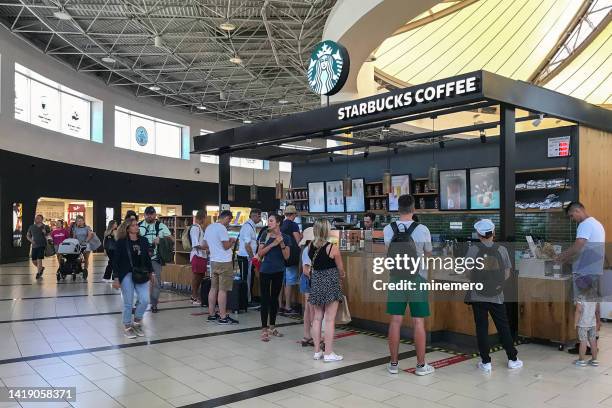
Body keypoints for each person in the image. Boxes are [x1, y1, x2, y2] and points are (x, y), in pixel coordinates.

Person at [384, 194, 434, 376]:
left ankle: (393, 364)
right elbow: (428, 256)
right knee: (418, 321)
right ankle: (421, 366)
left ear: (398, 209)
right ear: (414, 209)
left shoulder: (388, 229)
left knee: (395, 320)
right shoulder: (422, 229)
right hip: (417, 279)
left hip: (396, 278)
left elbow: (387, 254)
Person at [465, 219, 523, 373]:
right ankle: (512, 359)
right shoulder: (502, 249)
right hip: (497, 295)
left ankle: (486, 362)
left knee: (482, 328)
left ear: (478, 234)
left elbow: (467, 272)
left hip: (478, 295)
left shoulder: (473, 250)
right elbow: (507, 273)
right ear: (493, 233)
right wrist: (496, 285)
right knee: (503, 327)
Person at [556, 202, 605, 355]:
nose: (572, 219)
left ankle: (585, 346)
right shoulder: (597, 224)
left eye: (572, 215)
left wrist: (562, 257)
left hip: (585, 273)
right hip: (594, 270)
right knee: (592, 308)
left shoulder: (584, 225)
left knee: (583, 308)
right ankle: (593, 342)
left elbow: (579, 245)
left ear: (578, 210)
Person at [305, 219, 345, 362]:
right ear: (326, 231)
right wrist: (343, 277)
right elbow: (340, 269)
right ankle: (328, 353)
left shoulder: (310, 246)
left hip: (316, 282)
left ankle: (317, 351)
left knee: (317, 318)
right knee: (329, 320)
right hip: (330, 283)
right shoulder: (332, 248)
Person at [112, 219, 153, 339]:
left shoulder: (144, 241)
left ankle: (137, 321)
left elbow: (147, 259)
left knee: (145, 299)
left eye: (137, 225)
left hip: (141, 273)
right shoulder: (121, 242)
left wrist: (152, 273)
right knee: (128, 302)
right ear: (127, 228)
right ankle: (127, 326)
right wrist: (116, 278)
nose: (136, 227)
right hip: (127, 274)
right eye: (133, 225)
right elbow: (116, 261)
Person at [256, 214, 291, 341]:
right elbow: (260, 253)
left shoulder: (286, 237)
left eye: (271, 221)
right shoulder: (265, 234)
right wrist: (272, 244)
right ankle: (264, 329)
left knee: (274, 299)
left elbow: (287, 256)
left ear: (278, 223)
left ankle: (272, 327)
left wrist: (280, 242)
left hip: (279, 271)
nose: (269, 223)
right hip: (265, 271)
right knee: (265, 299)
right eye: (268, 220)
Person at [204, 210, 238, 325]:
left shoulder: (209, 227)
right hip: (224, 262)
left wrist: (214, 248)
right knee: (223, 290)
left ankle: (211, 314)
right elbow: (225, 246)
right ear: (226, 217)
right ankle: (223, 317)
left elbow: (204, 244)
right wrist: (232, 241)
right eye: (229, 220)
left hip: (213, 261)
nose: (229, 222)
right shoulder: (222, 228)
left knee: (213, 288)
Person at [139, 206, 172, 313]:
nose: (149, 216)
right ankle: (139, 303)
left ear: (155, 215)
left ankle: (154, 304)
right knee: (139, 281)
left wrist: (161, 239)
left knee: (156, 283)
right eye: (147, 214)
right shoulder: (139, 226)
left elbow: (171, 240)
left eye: (151, 214)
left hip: (155, 259)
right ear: (144, 215)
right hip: (141, 259)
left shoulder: (160, 226)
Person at [573, 275, 600, 366]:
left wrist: (575, 323)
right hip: (592, 324)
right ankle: (594, 360)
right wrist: (598, 322)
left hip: (583, 324)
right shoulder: (595, 297)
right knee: (593, 341)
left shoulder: (580, 297)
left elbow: (578, 311)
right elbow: (597, 311)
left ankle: (581, 360)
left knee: (583, 341)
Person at [280, 205, 302, 315]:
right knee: (289, 281)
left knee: (281, 281)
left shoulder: (281, 225)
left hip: (282, 255)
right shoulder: (293, 225)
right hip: (292, 256)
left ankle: (280, 305)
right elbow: (299, 241)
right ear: (293, 215)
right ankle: (288, 307)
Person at [237, 209, 261, 304]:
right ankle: (245, 300)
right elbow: (247, 245)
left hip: (248, 258)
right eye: (259, 216)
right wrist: (252, 257)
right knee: (246, 279)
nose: (260, 218)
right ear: (254, 216)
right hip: (245, 258)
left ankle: (248, 299)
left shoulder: (251, 226)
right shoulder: (247, 227)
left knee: (249, 278)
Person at [299, 227, 316, 347]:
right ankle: (314, 337)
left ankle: (307, 336)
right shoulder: (308, 250)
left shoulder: (306, 249)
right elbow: (306, 270)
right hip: (309, 280)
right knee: (312, 310)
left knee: (308, 310)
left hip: (307, 280)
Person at [190, 210, 208, 305]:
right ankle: (194, 296)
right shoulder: (195, 228)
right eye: (205, 217)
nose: (206, 220)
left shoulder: (200, 228)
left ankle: (196, 295)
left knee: (200, 276)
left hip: (201, 255)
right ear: (202, 217)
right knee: (196, 276)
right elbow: (195, 244)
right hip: (197, 255)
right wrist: (205, 248)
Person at [27, 214, 49, 279]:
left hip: (42, 245)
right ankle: (41, 268)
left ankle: (39, 273)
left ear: (42, 219)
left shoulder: (45, 226)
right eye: (36, 218)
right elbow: (27, 235)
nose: (36, 219)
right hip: (34, 246)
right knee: (34, 261)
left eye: (38, 218)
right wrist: (31, 240)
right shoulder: (31, 227)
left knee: (39, 259)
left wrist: (45, 232)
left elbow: (48, 235)